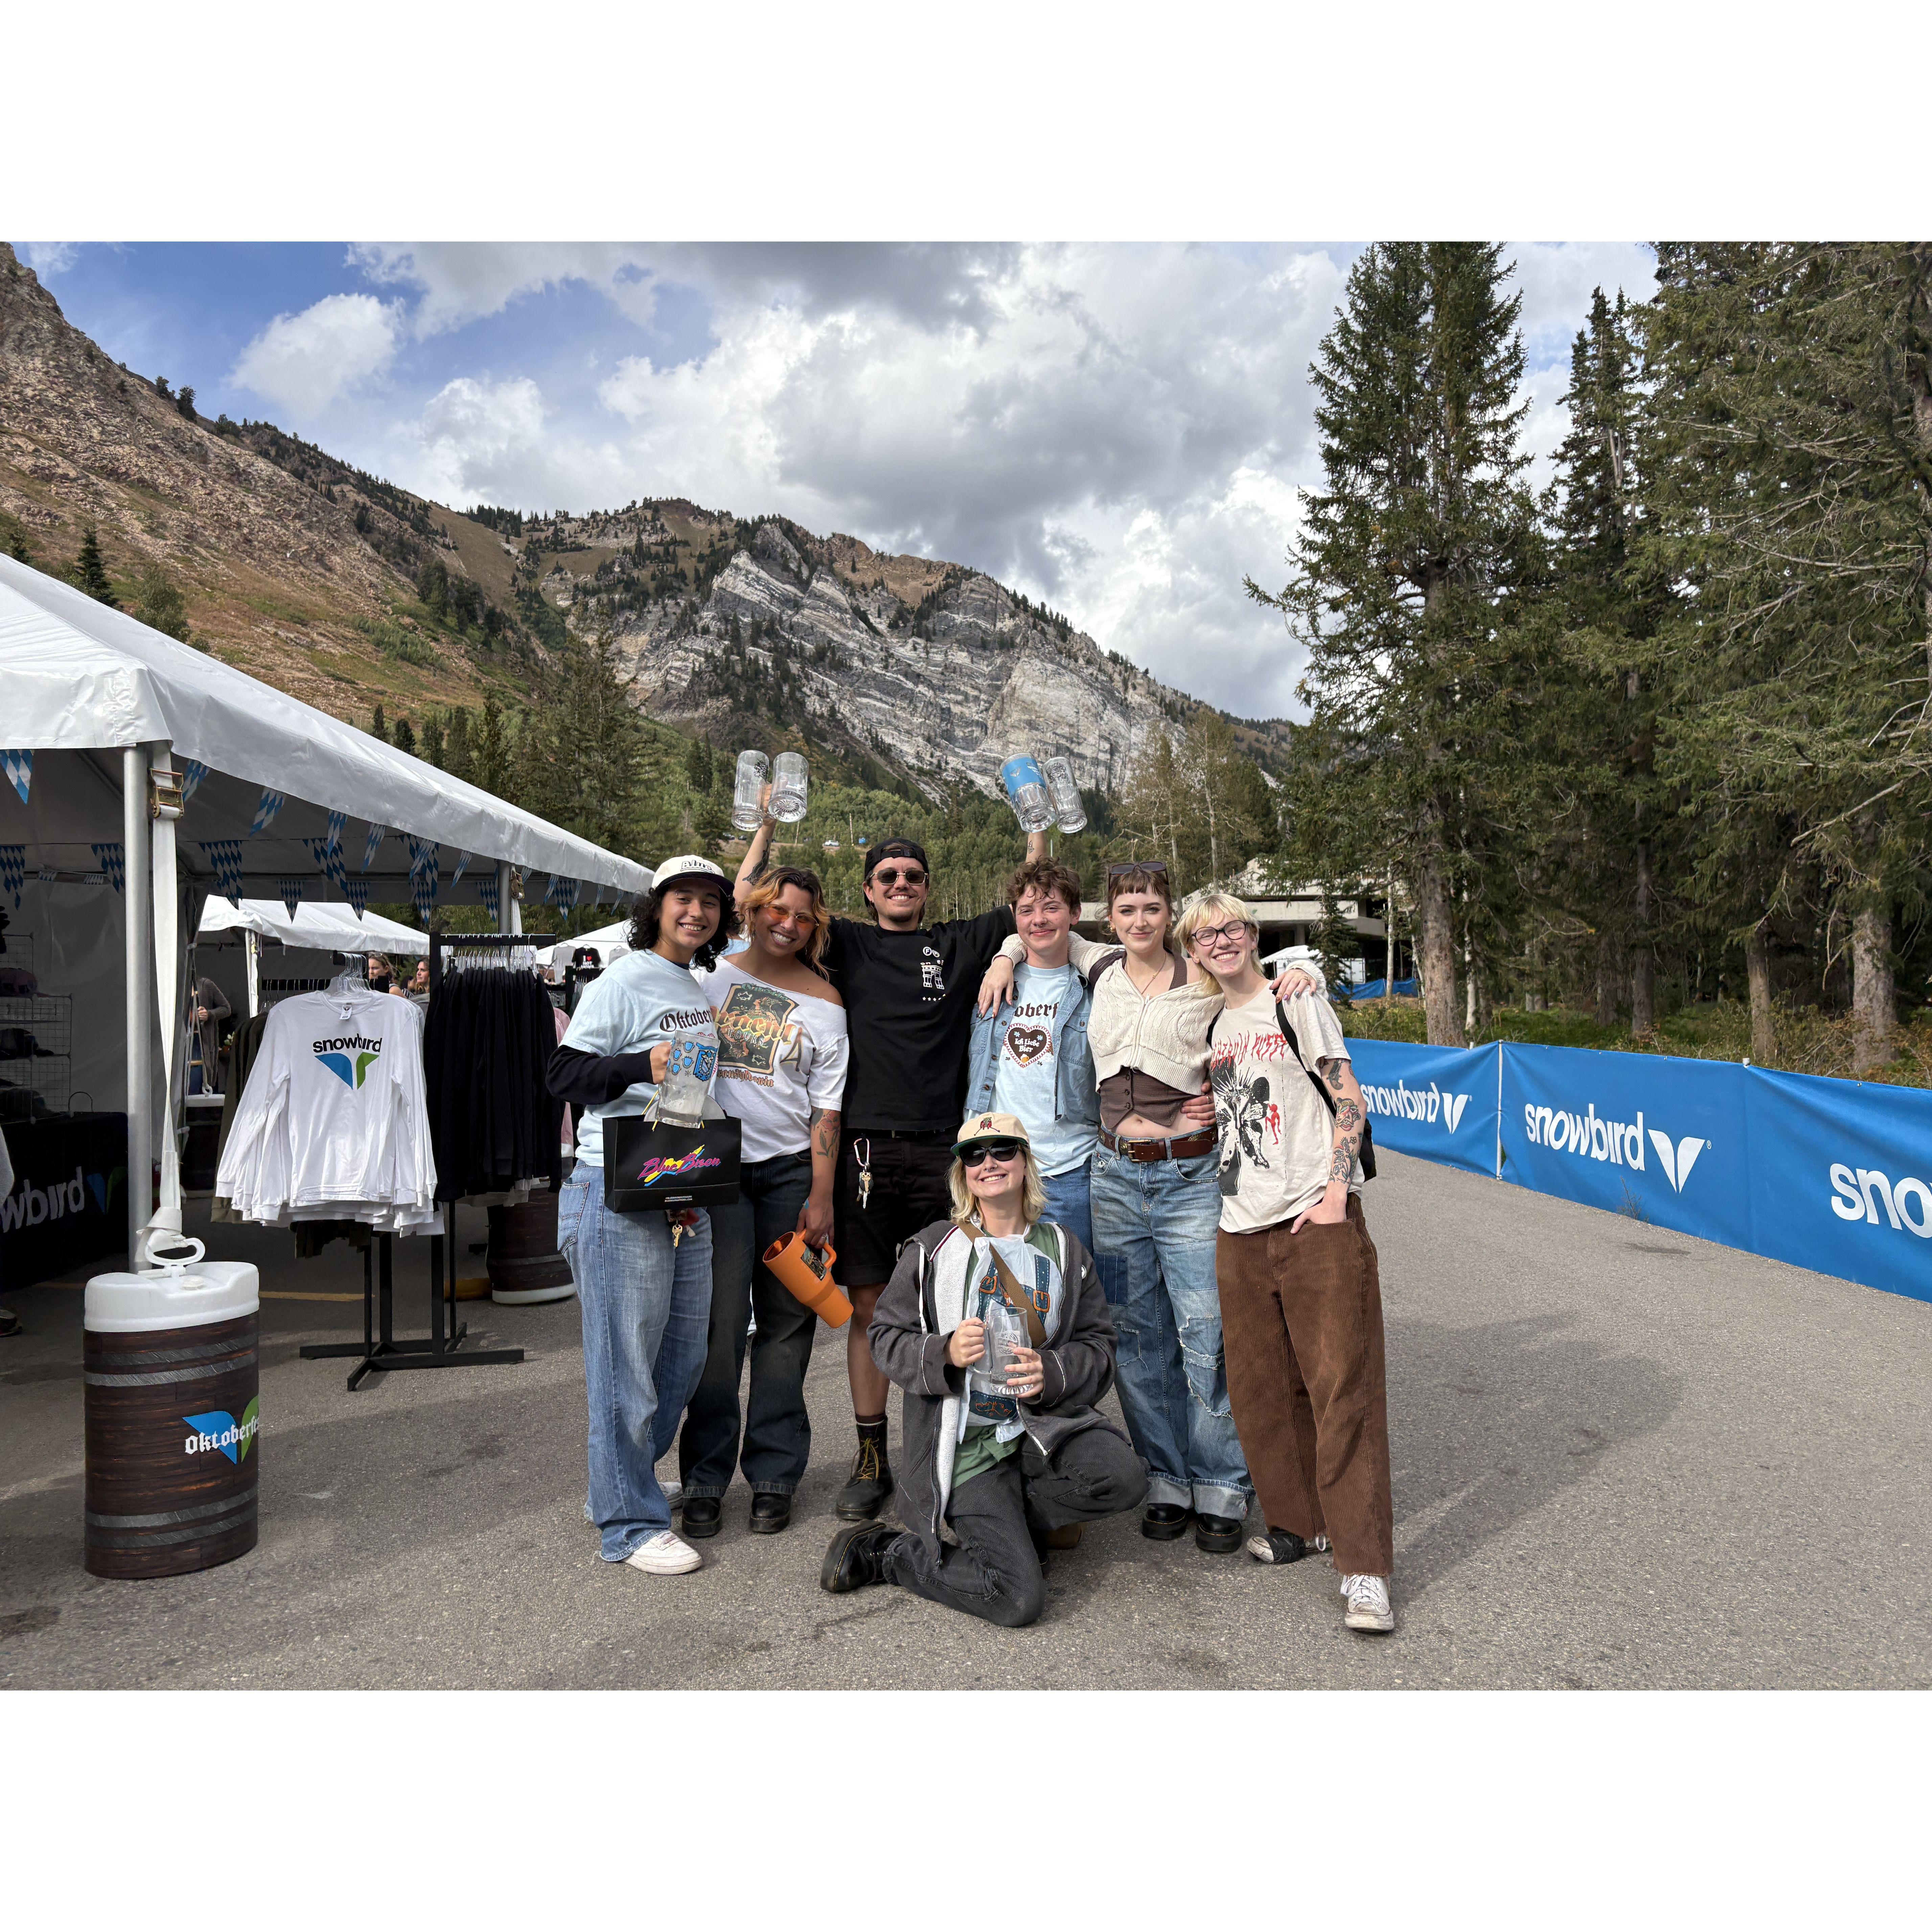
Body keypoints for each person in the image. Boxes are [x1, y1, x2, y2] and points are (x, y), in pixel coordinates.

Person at [733, 802, 1051, 1525]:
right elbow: (749, 901)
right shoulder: (842, 942)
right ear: (869, 891)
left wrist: (1031, 847)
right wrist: (767, 829)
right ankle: (872, 1454)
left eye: (913, 875)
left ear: (926, 888)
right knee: (872, 1309)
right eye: (887, 876)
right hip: (867, 1154)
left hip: (947, 1151)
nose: (901, 883)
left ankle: (955, 1448)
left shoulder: (959, 943)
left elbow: (1032, 906)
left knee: (958, 1307)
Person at [819, 1111, 1145, 1627]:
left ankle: (1017, 1522)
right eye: (974, 1155)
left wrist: (1053, 1372)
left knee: (1125, 1478)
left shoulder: (1063, 1249)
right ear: (963, 1174)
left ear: (1025, 1162)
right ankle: (887, 1554)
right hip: (969, 1449)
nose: (988, 1163)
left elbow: (1100, 1345)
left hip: (1042, 1431)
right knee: (1018, 1601)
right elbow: (883, 1337)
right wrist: (943, 1353)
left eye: (1002, 1150)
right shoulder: (933, 1249)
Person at [1185, 890, 1395, 1634]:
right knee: (1261, 1387)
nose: (1221, 940)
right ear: (1194, 947)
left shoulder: (1295, 1000)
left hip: (1316, 1215)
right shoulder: (1208, 1019)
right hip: (1239, 1224)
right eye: (1206, 933)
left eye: (1233, 927)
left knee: (1342, 1388)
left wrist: (1338, 1193)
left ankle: (1364, 1567)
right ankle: (1297, 1523)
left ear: (1252, 933)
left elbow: (1348, 1099)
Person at [547, 856, 737, 1579]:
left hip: (684, 1179)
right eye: (683, 900)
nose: (697, 912)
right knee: (625, 1363)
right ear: (656, 908)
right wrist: (639, 1064)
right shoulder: (622, 980)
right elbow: (563, 1077)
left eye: (711, 903)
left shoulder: (691, 983)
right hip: (619, 1187)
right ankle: (626, 1524)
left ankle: (619, 1479)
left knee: (682, 1355)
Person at [678, 865, 848, 1538]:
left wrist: (821, 1196)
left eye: (803, 915)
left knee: (786, 1326)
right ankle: (705, 1477)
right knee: (718, 1329)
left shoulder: (827, 1003)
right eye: (775, 908)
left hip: (787, 1175)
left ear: (816, 925)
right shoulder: (708, 977)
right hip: (715, 1170)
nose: (787, 922)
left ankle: (775, 1473)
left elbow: (827, 1109)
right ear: (751, 911)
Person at [963, 856, 1099, 1251]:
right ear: (1015, 918)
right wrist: (1004, 958)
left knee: (1073, 1296)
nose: (1039, 920)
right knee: (997, 1296)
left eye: (1052, 907)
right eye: (1027, 910)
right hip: (995, 1170)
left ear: (1074, 914)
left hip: (1068, 1172)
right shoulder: (987, 983)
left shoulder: (1096, 988)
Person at [189, 975, 231, 1094]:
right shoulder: (172, 986)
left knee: (201, 1087)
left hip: (201, 1043)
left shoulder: (205, 985)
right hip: (180, 1044)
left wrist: (209, 1014)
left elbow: (226, 1009)